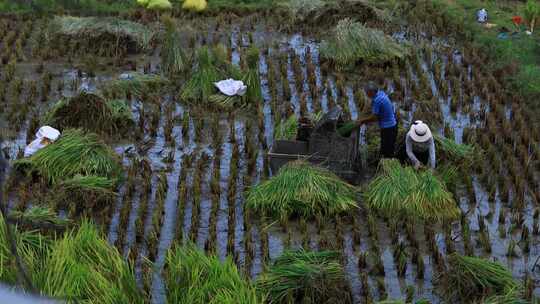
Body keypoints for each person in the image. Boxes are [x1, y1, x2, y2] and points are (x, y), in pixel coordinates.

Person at [356, 82, 397, 158]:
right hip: (393, 124)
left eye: (366, 92)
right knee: (388, 147)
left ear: (371, 92)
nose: (365, 94)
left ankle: (386, 164)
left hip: (388, 128)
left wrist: (362, 121)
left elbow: (374, 118)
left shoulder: (377, 101)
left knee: (386, 150)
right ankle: (385, 160)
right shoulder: (380, 93)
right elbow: (371, 107)